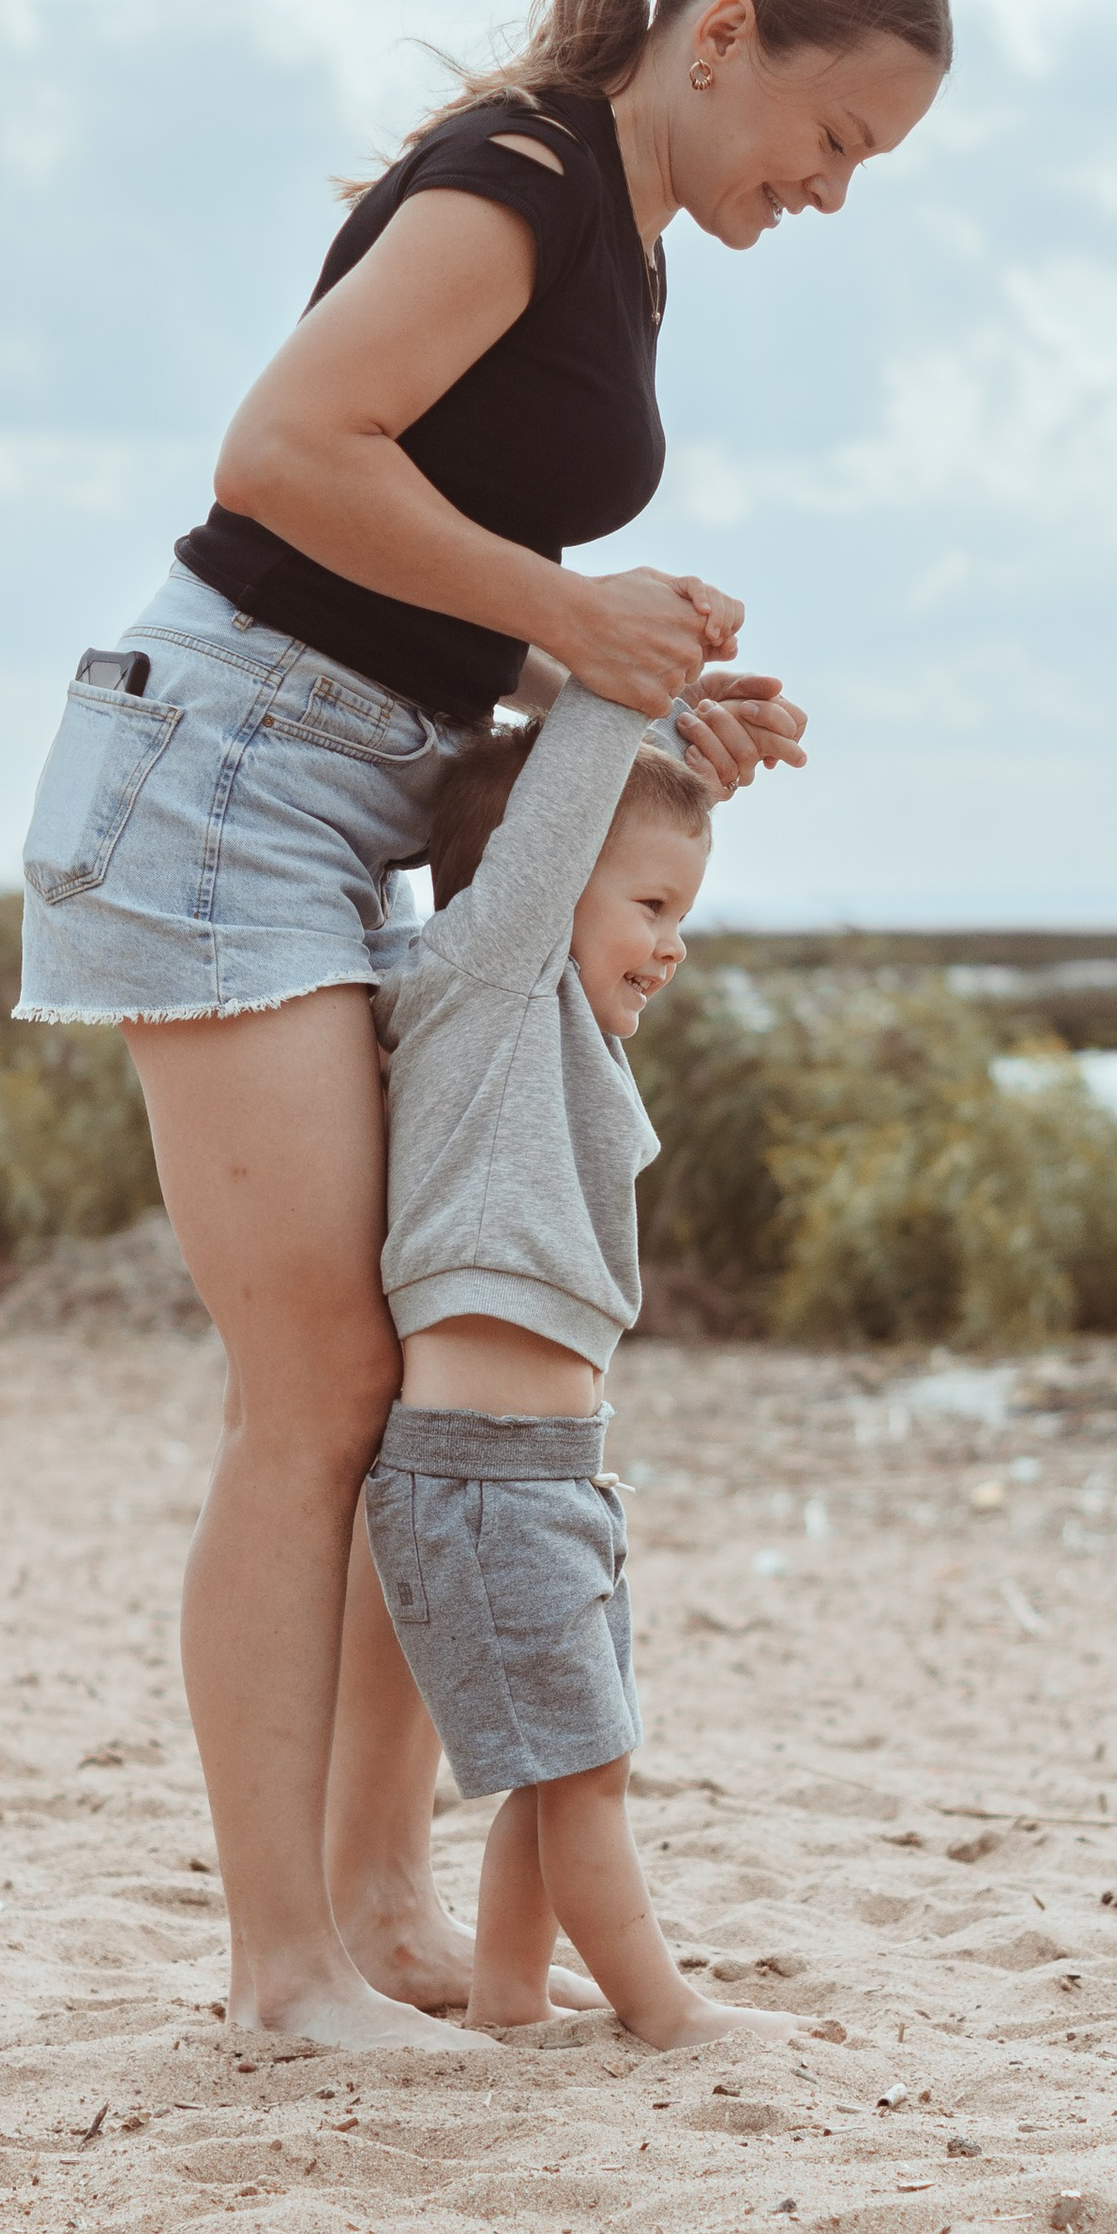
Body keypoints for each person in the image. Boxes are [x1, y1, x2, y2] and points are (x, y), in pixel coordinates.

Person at [16, 0, 950, 2048]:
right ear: (723, 34)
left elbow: (411, 599)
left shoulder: (625, 231)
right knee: (321, 1391)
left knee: (406, 1374)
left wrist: (630, 701)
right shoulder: (519, 176)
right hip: (225, 783)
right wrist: (571, 615)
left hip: (343, 776)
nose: (833, 192)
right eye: (833, 137)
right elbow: (279, 459)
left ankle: (374, 1906)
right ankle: (280, 1972)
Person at [365, 684, 792, 2047]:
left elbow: (612, 822)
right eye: (651, 907)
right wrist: (628, 676)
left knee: (565, 1770)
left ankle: (510, 1996)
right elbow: (561, 813)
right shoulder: (491, 983)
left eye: (685, 914)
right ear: (536, 883)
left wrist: (689, 761)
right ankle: (664, 2010)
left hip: (550, 1475)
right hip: (482, 1480)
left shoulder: (565, 1043)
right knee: (589, 1773)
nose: (672, 945)